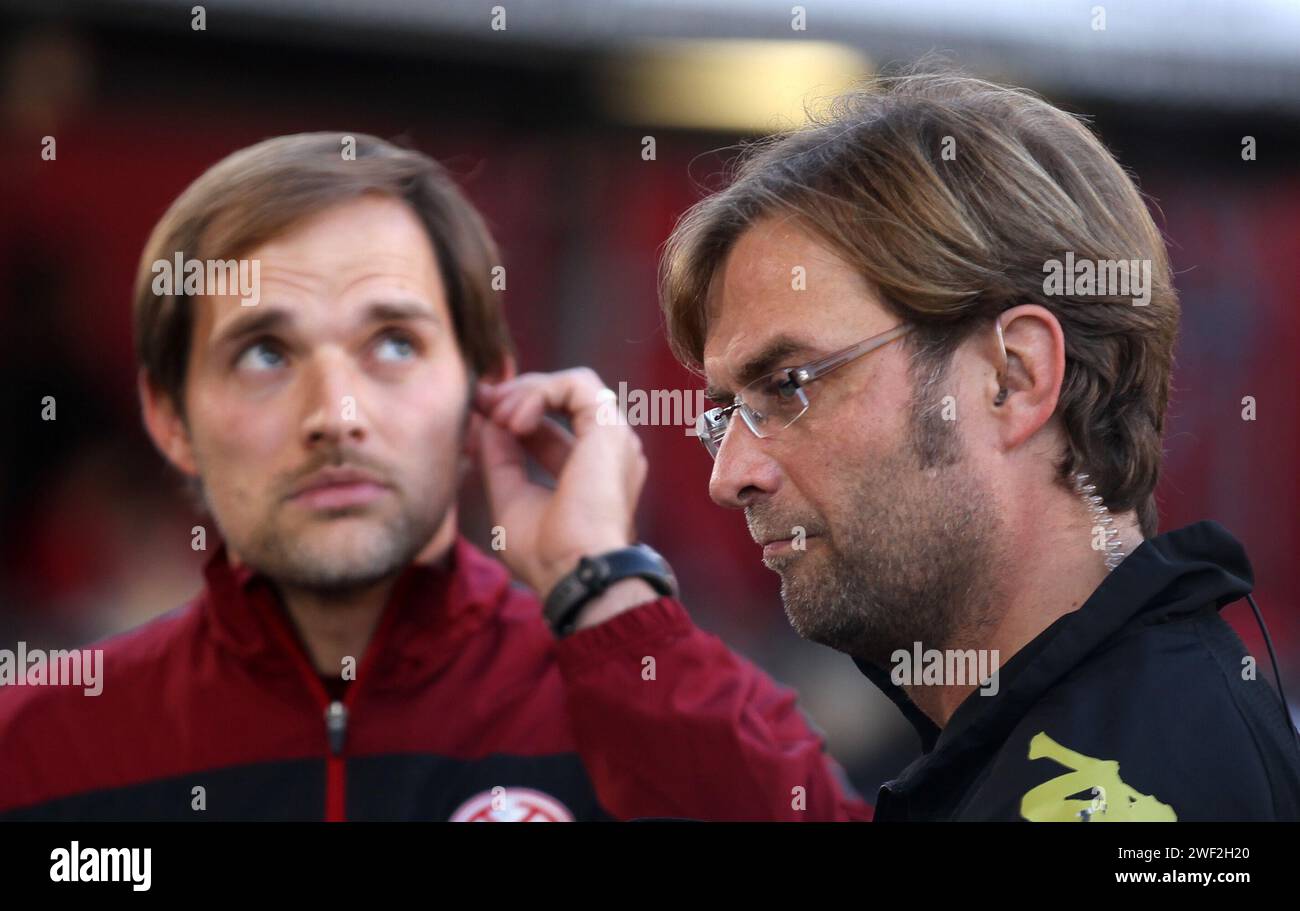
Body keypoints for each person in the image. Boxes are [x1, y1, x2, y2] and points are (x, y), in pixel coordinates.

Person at [0, 133, 869, 822]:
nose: (336, 412)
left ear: (485, 386)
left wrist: (605, 591)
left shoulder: (631, 715)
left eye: (393, 343)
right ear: (168, 417)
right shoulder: (40, 748)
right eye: (266, 351)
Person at [659, 71, 1300, 821]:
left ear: (1015, 377)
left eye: (790, 383)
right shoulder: (1070, 743)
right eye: (726, 411)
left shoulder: (1128, 797)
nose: (730, 475)